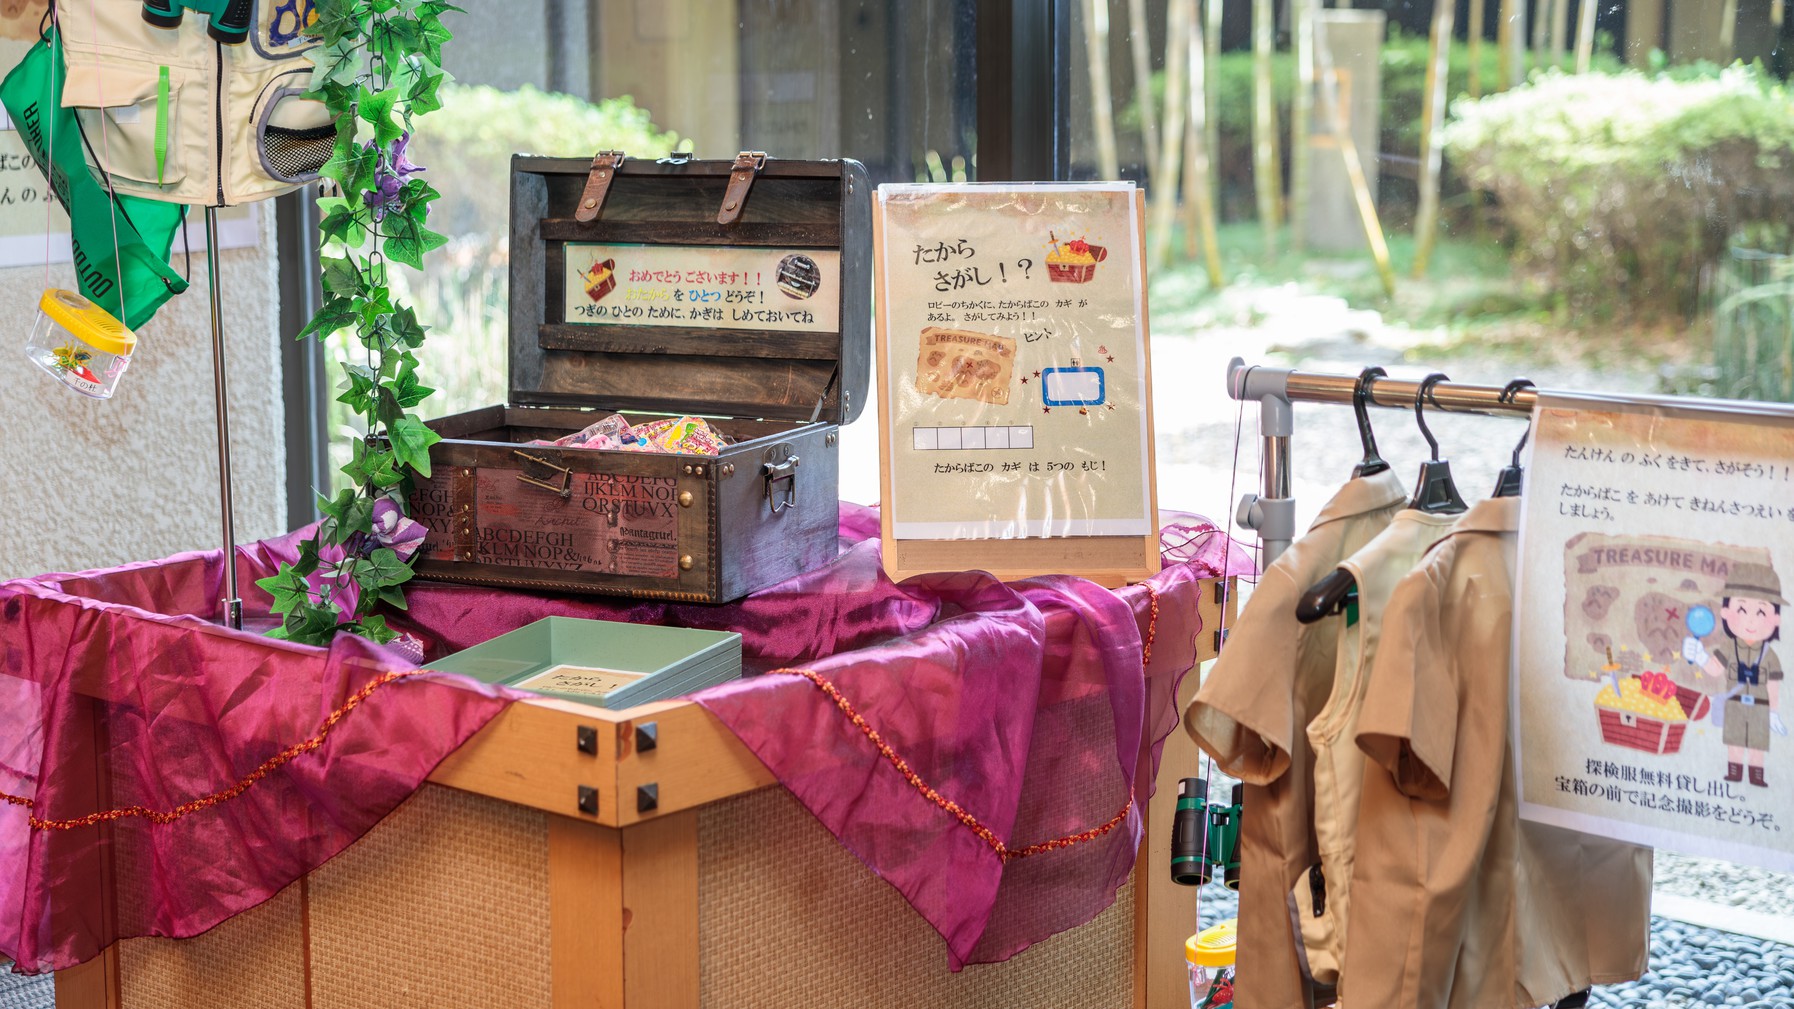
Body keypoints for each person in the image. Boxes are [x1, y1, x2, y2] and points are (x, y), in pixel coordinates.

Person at [1687, 562, 1786, 787]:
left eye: (1761, 611)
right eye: (1742, 609)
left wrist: (1773, 712)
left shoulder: (1770, 655)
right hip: (1735, 704)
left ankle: (1756, 776)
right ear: (1726, 613)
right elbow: (1714, 669)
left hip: (1760, 706)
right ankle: (1734, 772)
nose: (1751, 620)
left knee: (1757, 744)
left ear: (1776, 620)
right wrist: (1700, 656)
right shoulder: (1728, 648)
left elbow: (1773, 685)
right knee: (1735, 742)